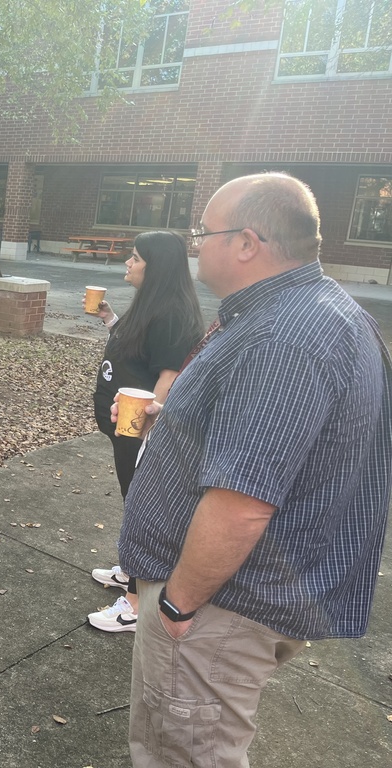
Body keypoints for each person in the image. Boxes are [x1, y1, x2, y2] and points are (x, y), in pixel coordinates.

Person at [117, 172, 391, 767]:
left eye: (202, 231)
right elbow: (288, 440)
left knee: (185, 752)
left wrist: (177, 606)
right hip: (259, 588)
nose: (194, 244)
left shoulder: (281, 338)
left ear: (246, 242)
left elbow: (243, 502)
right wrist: (177, 415)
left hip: (222, 601)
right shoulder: (318, 310)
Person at [86, 231, 202, 634]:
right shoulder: (152, 304)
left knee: (140, 506)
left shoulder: (172, 312)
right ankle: (131, 570)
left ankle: (135, 603)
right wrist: (110, 320)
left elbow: (169, 378)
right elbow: (139, 350)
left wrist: (145, 433)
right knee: (130, 499)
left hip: (138, 430)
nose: (128, 264)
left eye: (134, 258)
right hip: (123, 427)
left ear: (157, 267)